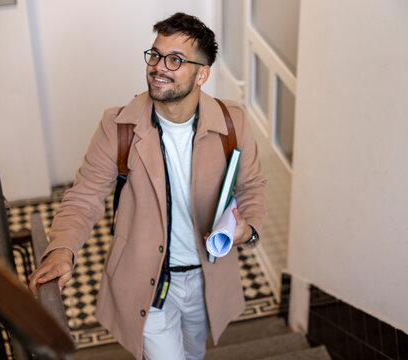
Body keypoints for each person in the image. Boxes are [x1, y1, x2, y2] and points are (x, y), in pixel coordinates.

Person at [28, 12, 266, 360]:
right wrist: (63, 247)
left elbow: (252, 187)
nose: (159, 66)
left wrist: (248, 230)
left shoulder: (233, 122)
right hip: (149, 284)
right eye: (155, 55)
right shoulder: (119, 125)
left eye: (175, 59)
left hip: (207, 281)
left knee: (194, 352)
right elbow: (85, 196)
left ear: (202, 74)